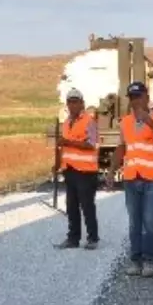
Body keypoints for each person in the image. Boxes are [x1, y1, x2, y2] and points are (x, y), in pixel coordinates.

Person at [111, 82, 153, 277]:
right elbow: (121, 147)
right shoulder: (125, 122)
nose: (136, 100)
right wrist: (112, 171)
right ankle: (136, 261)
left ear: (147, 98)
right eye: (132, 97)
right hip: (132, 178)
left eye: (139, 96)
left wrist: (149, 121)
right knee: (134, 222)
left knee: (150, 221)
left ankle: (150, 262)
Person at [55, 88, 100, 250]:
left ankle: (92, 238)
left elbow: (91, 144)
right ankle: (73, 239)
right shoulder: (67, 122)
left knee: (87, 206)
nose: (72, 105)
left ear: (82, 103)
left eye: (76, 101)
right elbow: (64, 147)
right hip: (70, 170)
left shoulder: (90, 121)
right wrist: (58, 163)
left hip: (86, 171)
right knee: (71, 206)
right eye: (70, 102)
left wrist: (68, 142)